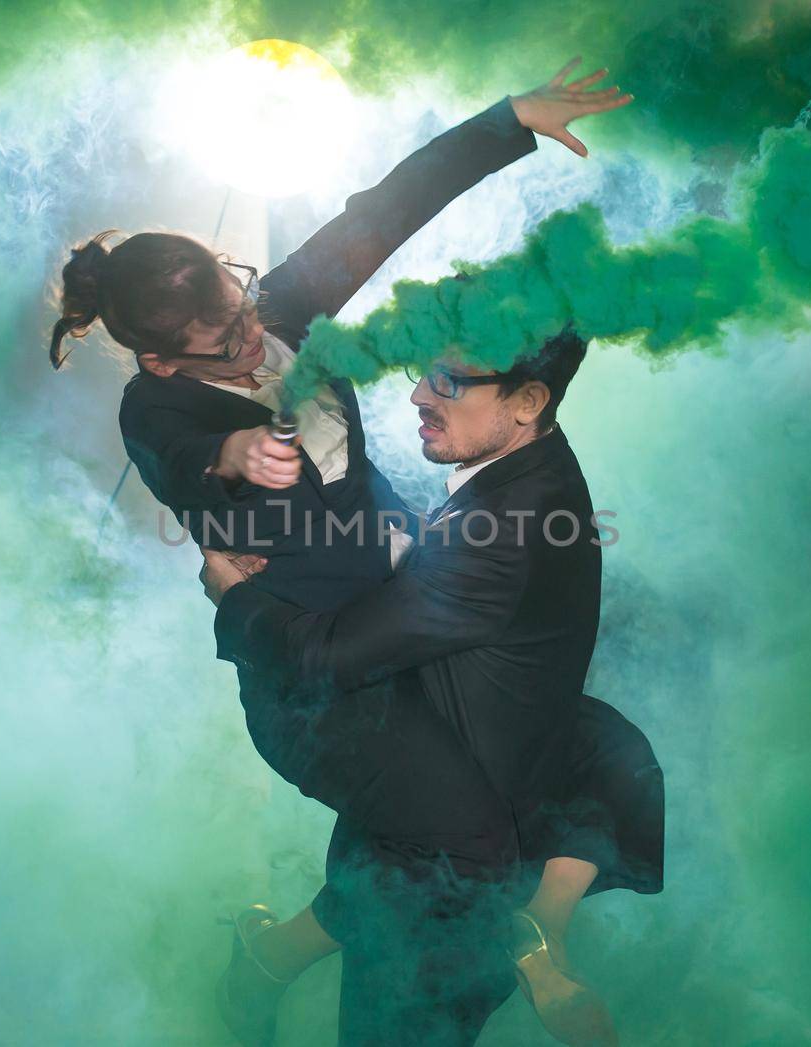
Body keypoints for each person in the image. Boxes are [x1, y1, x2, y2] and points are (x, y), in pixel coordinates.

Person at [49, 60, 655, 1046]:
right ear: (164, 360)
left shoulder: (277, 318)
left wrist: (508, 121)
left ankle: (275, 954)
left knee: (508, 771)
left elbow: (383, 213)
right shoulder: (155, 406)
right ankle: (525, 952)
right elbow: (175, 461)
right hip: (310, 681)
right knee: (465, 833)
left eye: (246, 311)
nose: (252, 341)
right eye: (223, 342)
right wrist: (229, 453)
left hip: (391, 619)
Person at [204, 331, 663, 1046]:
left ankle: (271, 957)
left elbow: (328, 656)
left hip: (446, 854)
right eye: (426, 373)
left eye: (449, 382)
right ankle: (276, 956)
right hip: (442, 803)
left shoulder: (504, 530)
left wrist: (234, 598)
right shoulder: (526, 463)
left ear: (529, 400)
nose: (419, 393)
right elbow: (424, 548)